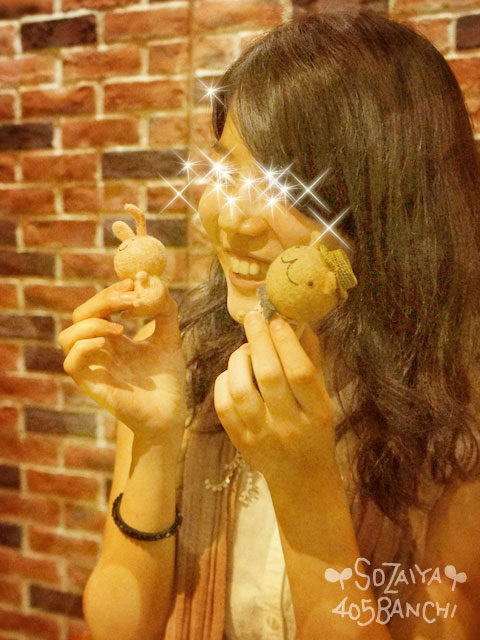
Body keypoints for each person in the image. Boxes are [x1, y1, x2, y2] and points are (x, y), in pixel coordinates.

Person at [58, 9, 480, 640]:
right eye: (229, 171)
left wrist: (306, 488)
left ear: (393, 206)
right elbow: (119, 627)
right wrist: (154, 438)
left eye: (294, 189)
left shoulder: (458, 408)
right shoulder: (189, 354)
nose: (236, 219)